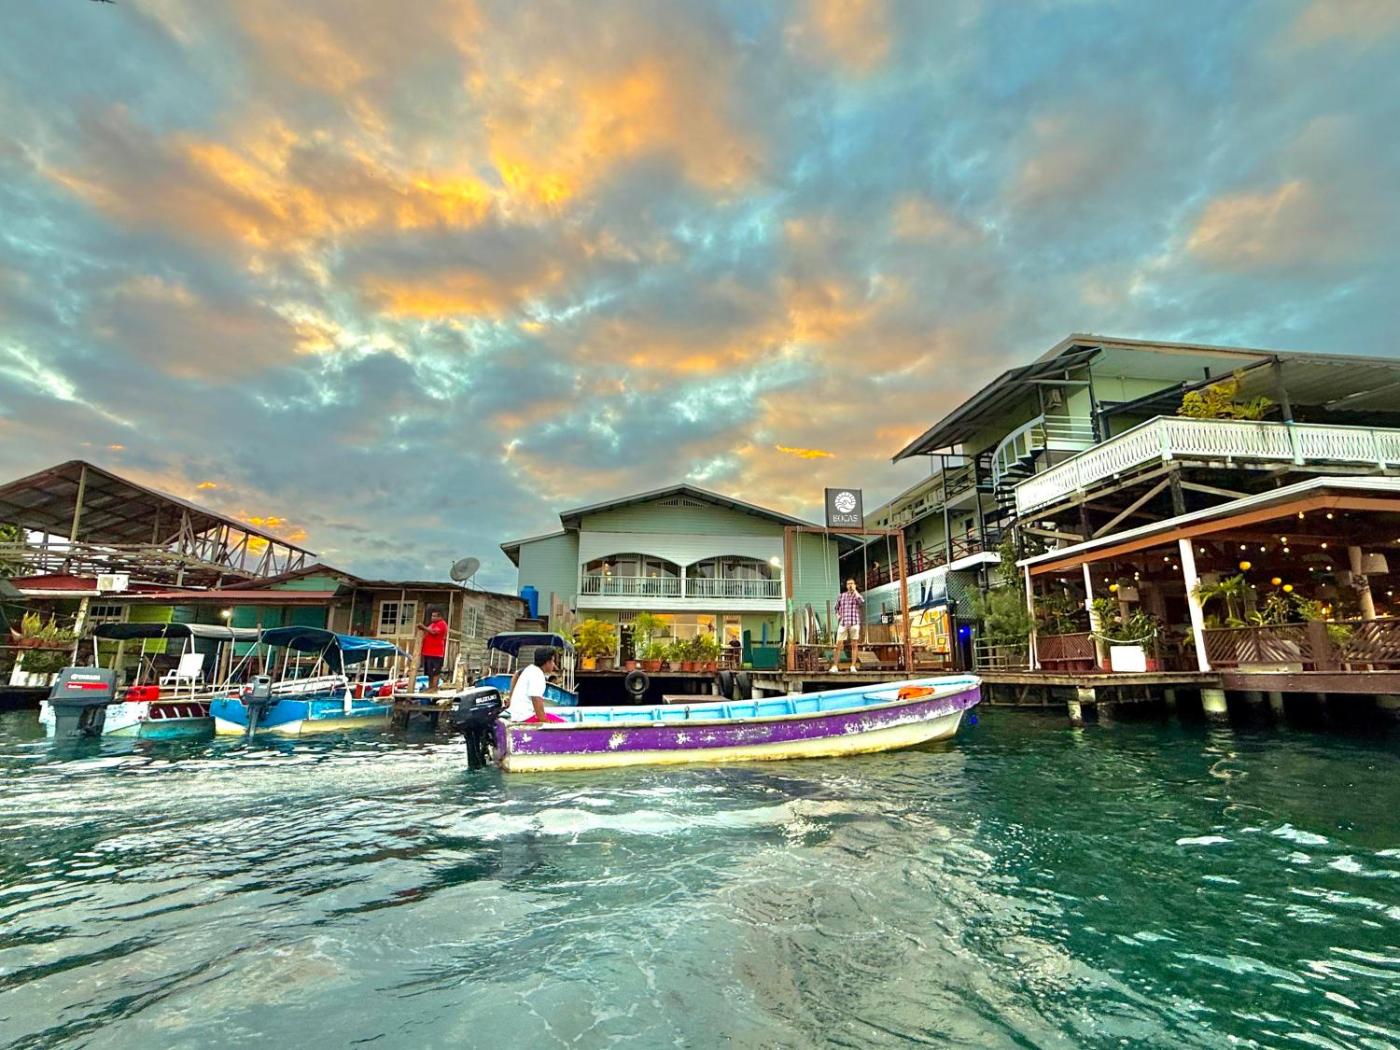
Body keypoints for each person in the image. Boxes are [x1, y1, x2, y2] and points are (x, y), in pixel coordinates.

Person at [506, 646, 566, 724]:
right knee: (563, 723)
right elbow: (536, 698)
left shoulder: (531, 669)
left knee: (557, 719)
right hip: (523, 716)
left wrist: (511, 698)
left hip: (518, 714)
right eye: (553, 661)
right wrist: (544, 722)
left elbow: (516, 674)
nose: (554, 665)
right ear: (547, 662)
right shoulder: (537, 674)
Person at [832, 578, 864, 673]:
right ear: (846, 586)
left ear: (854, 585)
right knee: (838, 644)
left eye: (851, 583)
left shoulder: (857, 596)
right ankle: (835, 666)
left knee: (854, 644)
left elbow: (861, 602)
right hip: (843, 622)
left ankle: (853, 666)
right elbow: (836, 608)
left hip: (854, 622)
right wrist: (838, 616)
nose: (850, 585)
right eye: (848, 584)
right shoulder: (841, 596)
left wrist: (855, 591)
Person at [415, 608, 448, 692]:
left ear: (440, 617)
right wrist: (422, 629)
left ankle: (434, 687)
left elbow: (434, 632)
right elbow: (428, 631)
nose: (432, 618)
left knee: (435, 672)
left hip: (436, 652)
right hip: (428, 651)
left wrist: (423, 627)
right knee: (429, 672)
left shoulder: (442, 624)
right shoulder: (432, 624)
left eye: (434, 616)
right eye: (432, 616)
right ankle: (430, 687)